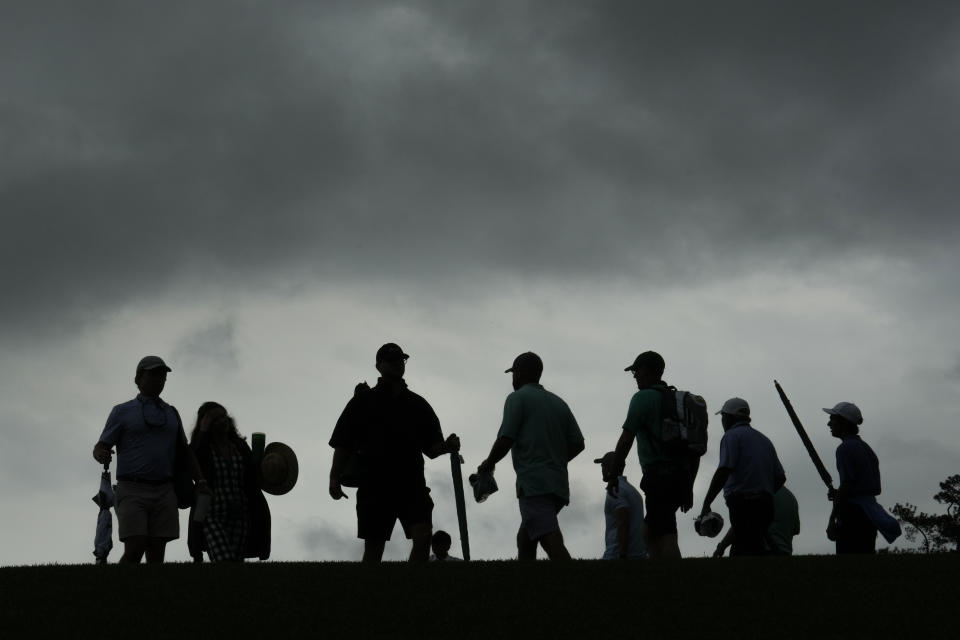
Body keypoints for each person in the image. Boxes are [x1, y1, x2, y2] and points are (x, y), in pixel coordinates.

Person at [328, 343, 460, 563]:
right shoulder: (363, 401)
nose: (398, 364)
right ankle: (371, 596)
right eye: (392, 360)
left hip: (412, 484)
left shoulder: (418, 404)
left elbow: (432, 448)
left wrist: (447, 446)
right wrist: (334, 478)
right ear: (378, 366)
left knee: (423, 536)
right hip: (374, 484)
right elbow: (342, 444)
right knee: (374, 546)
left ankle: (410, 588)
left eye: (401, 360)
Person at [92, 355, 208, 563]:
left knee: (157, 551)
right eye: (153, 374)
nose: (159, 379)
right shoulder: (122, 411)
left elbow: (184, 450)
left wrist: (200, 480)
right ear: (138, 379)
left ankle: (149, 592)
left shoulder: (171, 412)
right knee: (135, 545)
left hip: (165, 489)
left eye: (162, 375)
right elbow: (102, 445)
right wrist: (101, 454)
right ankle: (115, 592)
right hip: (131, 488)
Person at [477, 352, 585, 561]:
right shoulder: (559, 403)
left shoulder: (517, 398)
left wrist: (487, 464)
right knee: (525, 538)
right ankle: (526, 586)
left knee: (548, 537)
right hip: (558, 483)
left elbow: (505, 439)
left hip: (534, 483)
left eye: (513, 373)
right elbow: (578, 444)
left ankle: (575, 582)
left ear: (518, 374)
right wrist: (555, 460)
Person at [607, 351, 698, 559]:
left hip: (659, 477)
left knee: (666, 533)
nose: (635, 376)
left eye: (636, 371)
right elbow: (694, 449)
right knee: (649, 532)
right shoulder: (677, 400)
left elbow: (626, 439)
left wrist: (614, 474)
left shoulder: (642, 398)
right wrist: (689, 486)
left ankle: (676, 583)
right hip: (680, 477)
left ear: (646, 371)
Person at [700, 397, 786, 556]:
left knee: (743, 551)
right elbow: (780, 478)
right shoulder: (765, 440)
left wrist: (707, 502)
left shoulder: (731, 436)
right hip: (765, 505)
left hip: (742, 504)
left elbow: (723, 470)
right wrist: (764, 492)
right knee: (755, 546)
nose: (723, 421)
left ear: (730, 417)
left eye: (723, 417)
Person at [187, 402, 271, 562]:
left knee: (236, 564)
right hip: (212, 513)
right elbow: (193, 458)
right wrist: (203, 431)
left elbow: (252, 476)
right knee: (224, 560)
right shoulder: (203, 447)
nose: (222, 420)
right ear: (206, 423)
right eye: (215, 418)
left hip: (240, 512)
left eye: (224, 416)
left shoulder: (239, 446)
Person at [824, 402, 883, 554]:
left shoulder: (844, 449)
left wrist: (832, 519)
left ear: (843, 422)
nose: (829, 423)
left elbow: (848, 485)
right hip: (869, 514)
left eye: (833, 419)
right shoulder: (866, 448)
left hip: (853, 515)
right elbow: (865, 486)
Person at [713, 485, 800, 557]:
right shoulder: (791, 498)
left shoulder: (759, 492)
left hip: (759, 551)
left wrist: (721, 547)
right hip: (785, 553)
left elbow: (740, 525)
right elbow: (796, 530)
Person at [596, 452, 647, 560]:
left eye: (603, 465)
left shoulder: (616, 489)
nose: (602, 469)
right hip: (638, 556)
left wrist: (622, 556)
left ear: (611, 467)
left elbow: (622, 523)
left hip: (617, 556)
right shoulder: (633, 491)